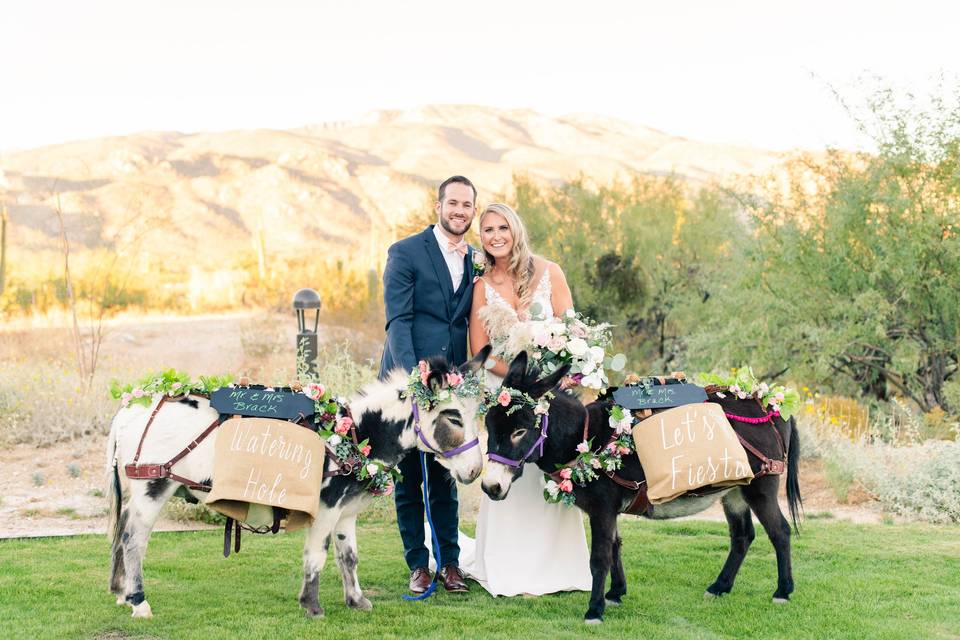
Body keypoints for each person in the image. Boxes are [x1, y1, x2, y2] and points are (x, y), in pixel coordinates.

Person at [459, 202, 592, 597]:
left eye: (503, 227)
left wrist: (550, 371)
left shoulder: (551, 272)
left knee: (549, 473)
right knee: (508, 466)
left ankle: (558, 566)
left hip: (550, 394)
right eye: (487, 230)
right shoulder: (481, 285)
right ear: (480, 238)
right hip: (506, 393)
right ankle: (508, 565)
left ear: (515, 230)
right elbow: (480, 350)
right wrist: (520, 377)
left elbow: (572, 332)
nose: (496, 235)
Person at [379, 175, 479, 595]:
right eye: (453, 203)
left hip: (452, 383)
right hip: (407, 382)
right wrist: (413, 380)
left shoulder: (476, 258)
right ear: (438, 206)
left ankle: (450, 564)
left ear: (474, 210)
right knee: (408, 478)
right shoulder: (405, 252)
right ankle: (418, 564)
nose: (460, 211)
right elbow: (398, 321)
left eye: (467, 205)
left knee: (446, 474)